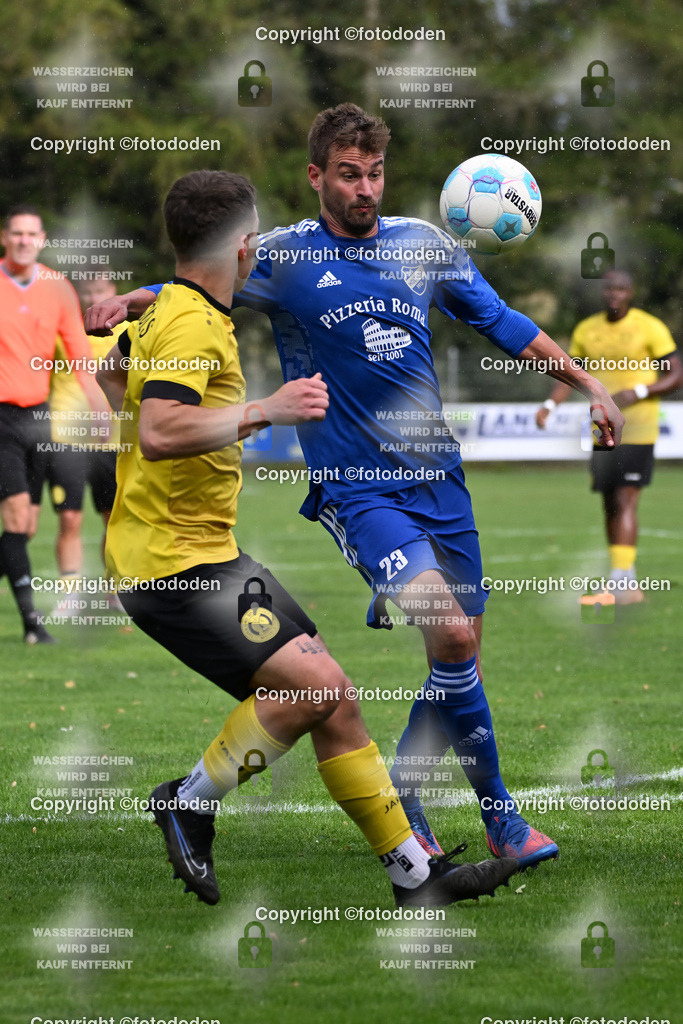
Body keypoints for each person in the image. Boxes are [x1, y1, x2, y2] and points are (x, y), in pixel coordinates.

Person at [86, 104, 624, 870]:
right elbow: (200, 275)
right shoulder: (281, 257)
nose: (364, 188)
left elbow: (502, 323)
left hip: (439, 481)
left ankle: (424, 802)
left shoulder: (424, 245)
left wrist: (589, 385)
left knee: (459, 659)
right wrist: (136, 298)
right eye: (347, 174)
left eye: (374, 173)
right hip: (357, 489)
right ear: (316, 177)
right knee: (451, 635)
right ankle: (497, 818)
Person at [95, 168, 518, 908]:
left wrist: (138, 459)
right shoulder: (192, 323)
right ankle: (189, 802)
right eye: (256, 235)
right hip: (172, 566)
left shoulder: (173, 313)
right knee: (317, 689)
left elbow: (113, 376)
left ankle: (415, 877)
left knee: (335, 699)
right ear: (241, 244)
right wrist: (268, 408)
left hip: (200, 553)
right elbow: (160, 432)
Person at [536, 270, 681, 603]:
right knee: (610, 503)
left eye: (621, 289)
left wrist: (640, 391)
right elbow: (568, 373)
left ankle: (621, 584)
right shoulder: (587, 329)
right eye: (609, 289)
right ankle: (626, 582)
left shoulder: (650, 327)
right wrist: (549, 405)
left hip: (638, 428)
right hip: (602, 430)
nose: (614, 294)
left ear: (631, 293)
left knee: (626, 499)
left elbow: (676, 375)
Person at [0, 204, 106, 643]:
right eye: (17, 233)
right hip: (0, 418)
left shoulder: (58, 288)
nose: (24, 240)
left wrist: (100, 409)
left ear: (42, 240)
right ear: (5, 238)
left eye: (32, 234)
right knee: (16, 517)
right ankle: (33, 625)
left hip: (38, 418)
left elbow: (81, 358)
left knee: (24, 529)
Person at [38, 275, 126, 611]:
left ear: (113, 291)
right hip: (66, 439)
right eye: (87, 291)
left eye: (99, 291)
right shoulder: (62, 328)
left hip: (113, 441)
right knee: (69, 518)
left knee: (113, 520)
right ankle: (70, 595)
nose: (92, 297)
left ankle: (114, 592)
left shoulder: (128, 332)